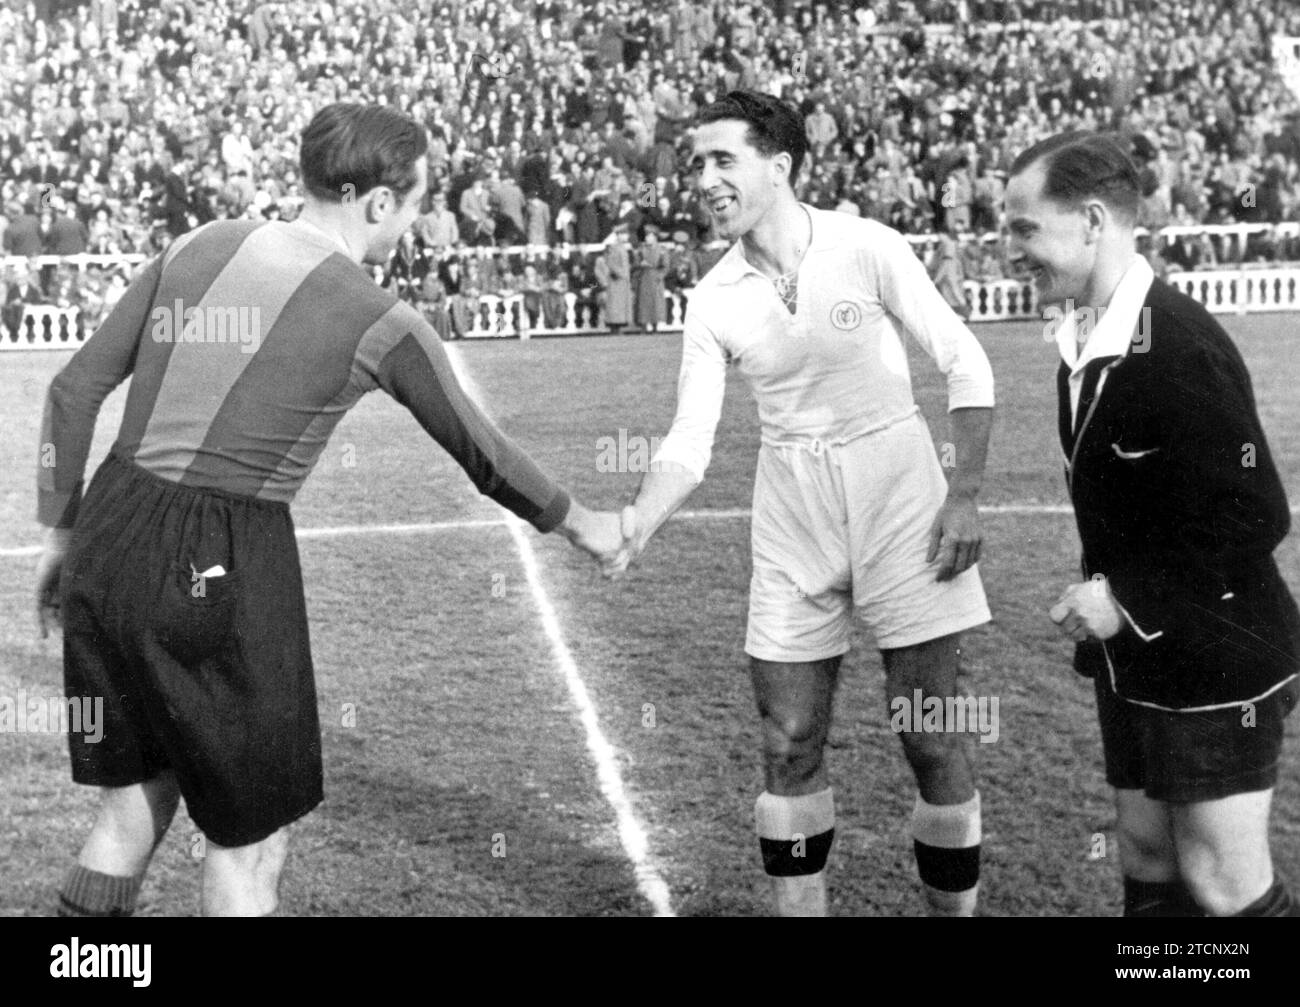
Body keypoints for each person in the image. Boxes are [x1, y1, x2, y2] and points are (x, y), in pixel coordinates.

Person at [34, 103, 627, 919]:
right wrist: (586, 524)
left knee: (133, 806)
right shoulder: (380, 316)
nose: (411, 227)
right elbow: (484, 456)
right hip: (221, 551)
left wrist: (62, 537)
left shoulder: (199, 242)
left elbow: (73, 389)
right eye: (415, 207)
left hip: (108, 525)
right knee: (250, 845)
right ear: (377, 203)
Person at [610, 90, 996, 917]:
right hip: (792, 508)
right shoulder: (713, 298)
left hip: (902, 496)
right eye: (695, 166)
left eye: (723, 160)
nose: (704, 179)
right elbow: (690, 438)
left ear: (779, 166)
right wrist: (639, 520)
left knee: (933, 737)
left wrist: (964, 495)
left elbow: (965, 364)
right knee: (786, 742)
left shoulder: (867, 246)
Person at [1004, 130, 1300, 917]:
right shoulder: (1080, 339)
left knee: (1222, 882)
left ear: (1093, 221)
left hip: (1218, 650)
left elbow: (1254, 510)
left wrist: (1126, 595)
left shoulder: (1177, 341)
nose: (1010, 251)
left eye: (1025, 228)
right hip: (1136, 653)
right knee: (1146, 855)